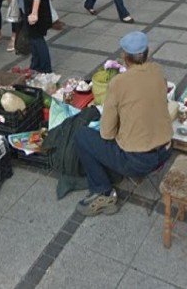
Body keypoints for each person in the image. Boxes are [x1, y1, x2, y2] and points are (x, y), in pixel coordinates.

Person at [73, 31, 172, 216]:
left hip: (138, 161)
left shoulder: (118, 83)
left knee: (82, 136)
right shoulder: (157, 71)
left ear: (124, 57)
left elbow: (107, 133)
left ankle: (103, 192)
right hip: (166, 151)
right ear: (147, 52)